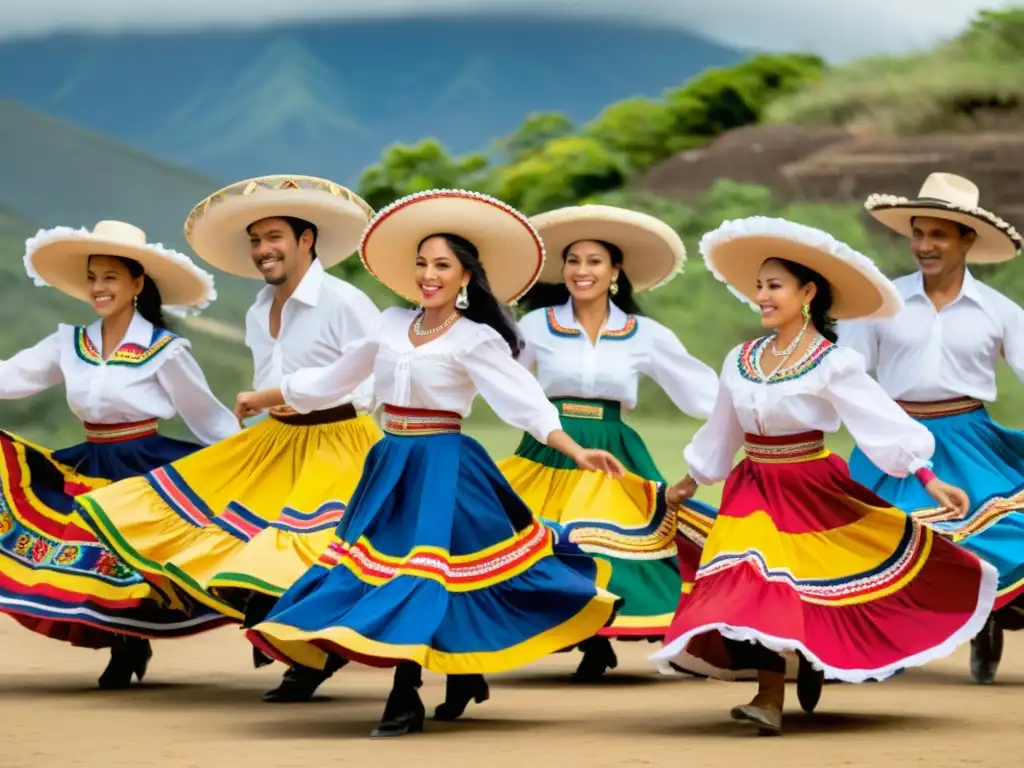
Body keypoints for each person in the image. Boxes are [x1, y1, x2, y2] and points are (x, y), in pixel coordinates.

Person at [237, 189, 625, 738]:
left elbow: (525, 400)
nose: (429, 274)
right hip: (390, 462)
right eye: (421, 263)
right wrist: (265, 396)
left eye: (442, 265)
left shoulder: (475, 339)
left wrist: (574, 448)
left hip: (444, 466)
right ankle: (459, 675)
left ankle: (405, 697)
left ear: (465, 276)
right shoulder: (391, 323)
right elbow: (333, 381)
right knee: (382, 572)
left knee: (420, 578)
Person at [651, 215, 997, 735]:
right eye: (759, 287)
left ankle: (810, 663)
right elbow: (722, 431)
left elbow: (879, 423)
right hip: (752, 489)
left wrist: (928, 479)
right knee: (753, 578)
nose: (762, 296)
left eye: (774, 287)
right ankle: (769, 697)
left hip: (812, 487)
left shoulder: (832, 363)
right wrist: (688, 482)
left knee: (805, 587)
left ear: (807, 291)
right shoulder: (741, 357)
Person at [74, 175, 382, 703]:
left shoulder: (344, 301)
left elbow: (374, 381)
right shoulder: (259, 308)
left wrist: (294, 396)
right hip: (278, 439)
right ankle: (288, 642)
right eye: (256, 241)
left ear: (307, 239)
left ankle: (310, 658)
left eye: (274, 237)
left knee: (305, 550)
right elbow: (266, 378)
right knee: (208, 531)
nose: (263, 250)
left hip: (340, 438)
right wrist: (266, 413)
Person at [0, 219, 238, 688]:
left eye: (109, 276)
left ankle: (130, 642)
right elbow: (13, 377)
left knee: (131, 554)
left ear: (136, 283)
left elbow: (205, 416)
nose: (98, 287)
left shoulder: (164, 350)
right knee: (85, 547)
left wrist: (251, 457)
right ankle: (124, 644)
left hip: (145, 463)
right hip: (91, 459)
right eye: (92, 277)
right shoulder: (70, 343)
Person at [499, 203, 719, 680]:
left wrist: (754, 409)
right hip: (550, 446)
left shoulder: (645, 334)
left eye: (595, 261)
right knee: (537, 534)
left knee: (602, 537)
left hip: (615, 447)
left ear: (616, 271)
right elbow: (507, 383)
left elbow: (701, 392)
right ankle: (565, 627)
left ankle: (598, 636)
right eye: (573, 261)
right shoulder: (536, 325)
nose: (582, 271)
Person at [840, 172, 1024, 684]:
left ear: (968, 238)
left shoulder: (1001, 312)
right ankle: (888, 643)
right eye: (918, 233)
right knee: (885, 538)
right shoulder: (880, 303)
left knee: (1003, 533)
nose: (924, 245)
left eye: (938, 234)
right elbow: (849, 376)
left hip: (971, 440)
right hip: (892, 440)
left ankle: (990, 613)